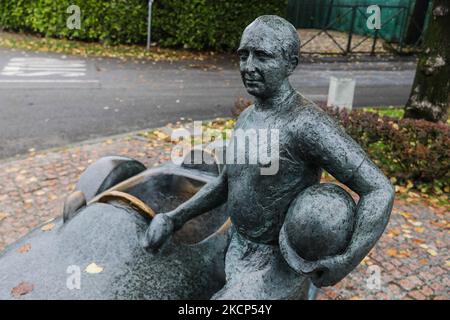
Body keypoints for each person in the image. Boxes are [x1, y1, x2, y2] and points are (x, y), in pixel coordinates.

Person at [143, 15, 394, 299]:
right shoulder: (248, 117)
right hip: (236, 245)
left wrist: (347, 259)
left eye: (262, 56)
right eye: (243, 55)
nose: (248, 66)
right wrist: (174, 218)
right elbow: (227, 182)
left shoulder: (307, 123)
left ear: (291, 63)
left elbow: (379, 189)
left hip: (277, 264)